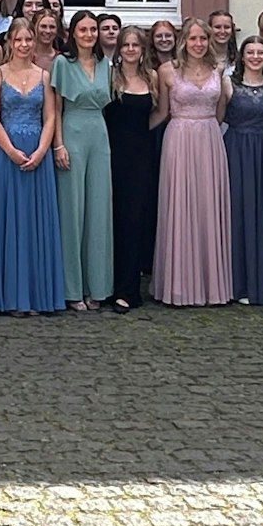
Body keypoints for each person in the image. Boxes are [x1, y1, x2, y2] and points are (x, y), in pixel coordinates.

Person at [0, 20, 66, 315]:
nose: (24, 45)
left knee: (36, 223)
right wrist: (10, 151)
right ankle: (9, 296)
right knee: (10, 221)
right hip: (8, 154)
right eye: (18, 40)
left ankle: (37, 294)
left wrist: (43, 150)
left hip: (37, 154)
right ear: (10, 43)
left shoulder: (44, 76)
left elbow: (50, 117)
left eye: (28, 39)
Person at [152, 17, 233, 307]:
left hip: (210, 139)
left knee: (207, 207)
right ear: (183, 41)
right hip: (179, 140)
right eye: (192, 39)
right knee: (180, 206)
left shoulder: (218, 70)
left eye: (203, 39)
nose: (198, 44)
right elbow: (162, 112)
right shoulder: (167, 71)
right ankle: (179, 286)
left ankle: (212, 285)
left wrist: (206, 127)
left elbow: (220, 111)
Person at [50, 10, 114, 310]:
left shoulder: (105, 64)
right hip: (72, 135)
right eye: (83, 30)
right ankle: (71, 288)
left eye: (93, 30)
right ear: (72, 33)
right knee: (72, 211)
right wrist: (58, 145)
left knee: (98, 212)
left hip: (99, 136)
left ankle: (96, 287)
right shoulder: (62, 63)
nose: (89, 35)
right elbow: (56, 109)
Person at [105, 25, 162, 312]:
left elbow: (161, 111)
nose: (130, 49)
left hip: (141, 155)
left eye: (135, 45)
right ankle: (109, 285)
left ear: (142, 50)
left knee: (135, 220)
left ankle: (129, 289)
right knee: (112, 219)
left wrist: (140, 131)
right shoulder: (109, 76)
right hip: (112, 154)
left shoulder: (152, 77)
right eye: (125, 45)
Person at [223, 37, 263, 306]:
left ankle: (262, 282)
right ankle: (236, 283)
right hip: (235, 149)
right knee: (236, 213)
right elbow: (218, 117)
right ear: (242, 57)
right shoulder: (228, 84)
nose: (256, 57)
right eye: (251, 52)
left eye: (261, 52)